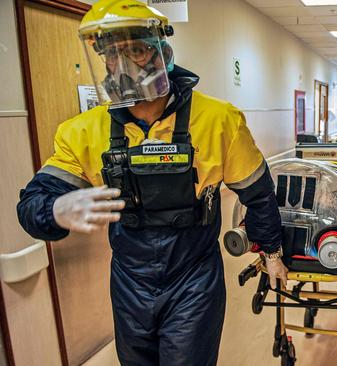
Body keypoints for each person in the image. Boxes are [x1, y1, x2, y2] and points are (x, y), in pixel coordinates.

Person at [16, 1, 288, 364]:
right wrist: (54, 209)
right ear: (102, 59)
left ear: (163, 51)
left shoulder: (219, 120)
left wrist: (272, 253)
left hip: (193, 277)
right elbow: (31, 206)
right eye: (113, 54)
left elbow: (259, 195)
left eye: (138, 50)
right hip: (129, 280)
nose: (125, 65)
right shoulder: (82, 131)